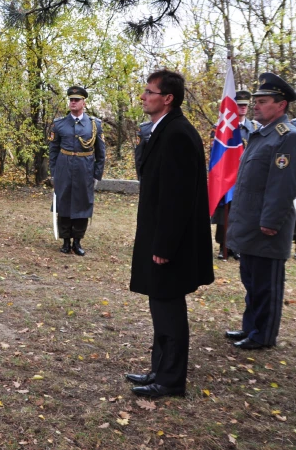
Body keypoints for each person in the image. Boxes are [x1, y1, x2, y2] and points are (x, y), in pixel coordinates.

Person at [127, 69, 214, 398]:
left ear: (168, 98)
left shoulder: (177, 133)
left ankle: (170, 380)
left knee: (169, 310)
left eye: (149, 92)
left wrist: (164, 245)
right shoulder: (163, 129)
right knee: (160, 307)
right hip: (160, 236)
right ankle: (159, 369)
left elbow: (176, 199)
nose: (143, 97)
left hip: (170, 243)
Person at [225, 73, 296, 350]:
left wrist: (270, 221)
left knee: (267, 285)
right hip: (250, 222)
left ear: (281, 105)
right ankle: (250, 327)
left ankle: (263, 335)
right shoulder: (260, 134)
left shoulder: (286, 138)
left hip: (267, 226)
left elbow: (282, 185)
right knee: (252, 281)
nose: (256, 105)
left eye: (263, 101)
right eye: (256, 101)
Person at [48, 86, 106, 256]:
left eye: (76, 100)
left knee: (82, 204)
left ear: (83, 102)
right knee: (64, 203)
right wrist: (54, 172)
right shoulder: (59, 124)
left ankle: (78, 241)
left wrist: (97, 174)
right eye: (71, 100)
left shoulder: (94, 125)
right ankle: (66, 241)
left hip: (84, 169)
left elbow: (101, 152)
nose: (73, 102)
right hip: (64, 168)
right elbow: (53, 150)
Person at [211, 90, 259, 260]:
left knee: (242, 214)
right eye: (239, 105)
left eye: (245, 105)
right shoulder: (221, 128)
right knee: (225, 212)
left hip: (246, 177)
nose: (243, 108)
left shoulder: (254, 128)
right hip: (226, 177)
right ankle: (223, 245)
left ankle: (237, 246)